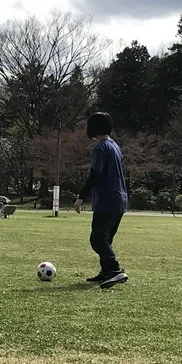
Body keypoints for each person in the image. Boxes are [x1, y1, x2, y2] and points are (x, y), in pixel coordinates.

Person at [74, 112, 129, 289]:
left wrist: (81, 196)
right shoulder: (115, 146)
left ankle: (114, 269)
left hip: (107, 199)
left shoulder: (100, 148)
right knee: (106, 238)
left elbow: (95, 173)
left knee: (97, 238)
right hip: (120, 199)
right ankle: (106, 272)